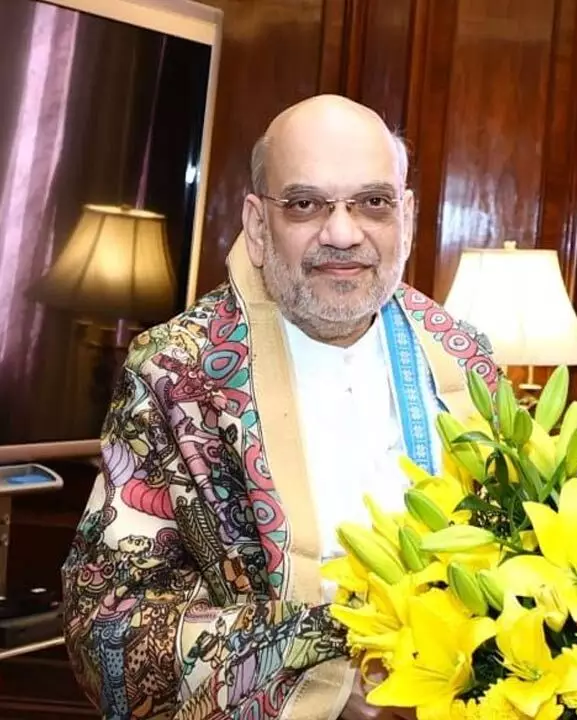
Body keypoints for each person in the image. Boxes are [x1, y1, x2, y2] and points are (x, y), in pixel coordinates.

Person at [60, 95, 497, 720]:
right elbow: (106, 631)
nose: (342, 233)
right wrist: (333, 673)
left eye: (372, 202)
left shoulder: (465, 361)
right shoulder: (176, 375)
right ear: (259, 227)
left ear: (406, 216)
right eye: (305, 204)